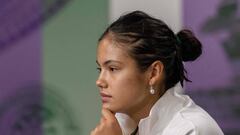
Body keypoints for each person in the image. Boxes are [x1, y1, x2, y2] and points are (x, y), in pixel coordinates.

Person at [91, 11, 224, 135]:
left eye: (113, 69)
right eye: (100, 69)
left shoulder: (191, 129)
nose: (99, 81)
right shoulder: (118, 124)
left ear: (153, 73)